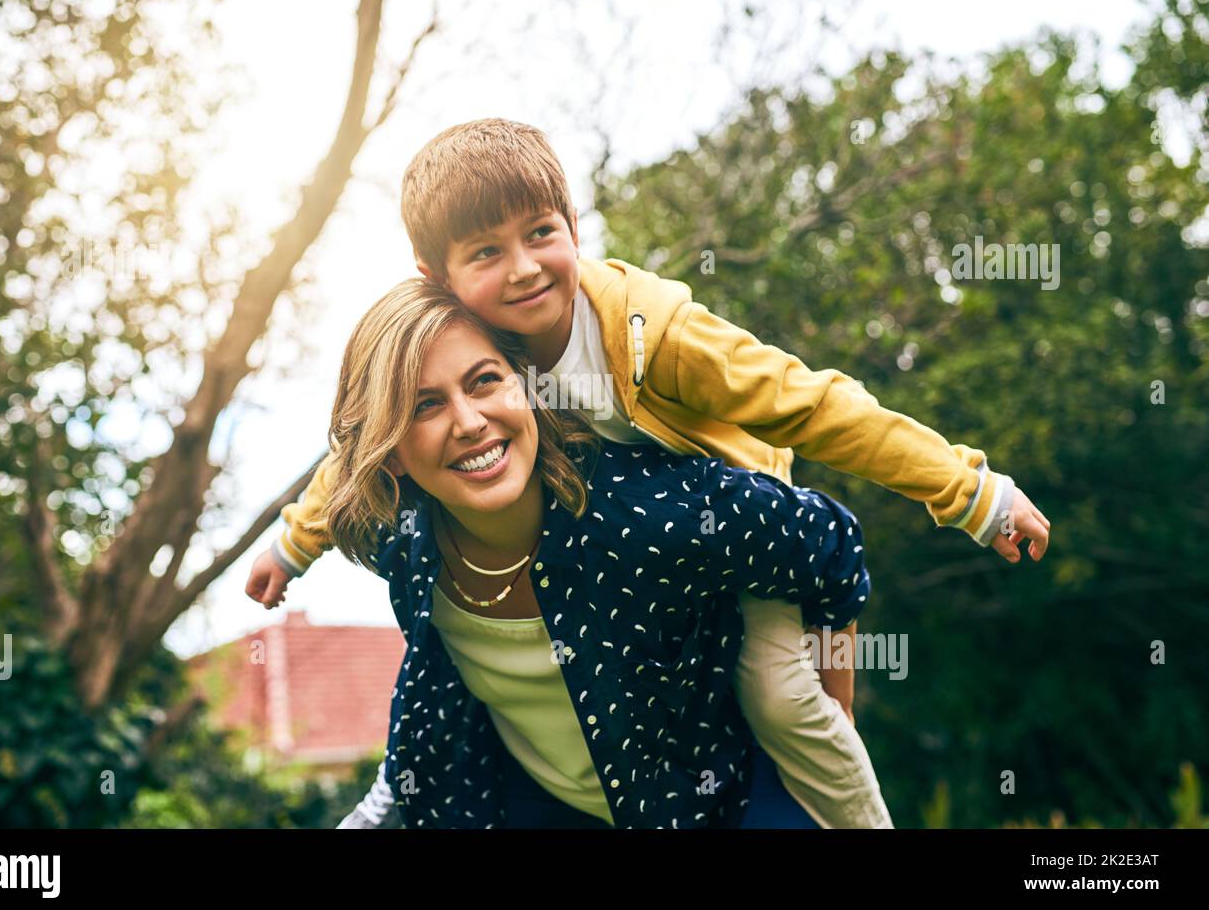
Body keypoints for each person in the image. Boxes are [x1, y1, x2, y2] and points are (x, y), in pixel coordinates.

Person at [248, 119, 1051, 827]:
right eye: (486, 252)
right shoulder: (475, 347)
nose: (524, 268)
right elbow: (373, 433)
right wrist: (294, 546)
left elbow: (811, 404)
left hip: (734, 528)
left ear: (572, 225)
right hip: (616, 560)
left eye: (540, 233)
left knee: (784, 702)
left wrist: (971, 492)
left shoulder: (651, 333)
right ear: (434, 272)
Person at [289, 279, 872, 827]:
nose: (469, 422)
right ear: (391, 453)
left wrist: (831, 705)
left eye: (485, 380)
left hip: (724, 799)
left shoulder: (651, 511)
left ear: (528, 385)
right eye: (425, 406)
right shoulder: (400, 540)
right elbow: (435, 680)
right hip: (541, 805)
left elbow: (828, 542)